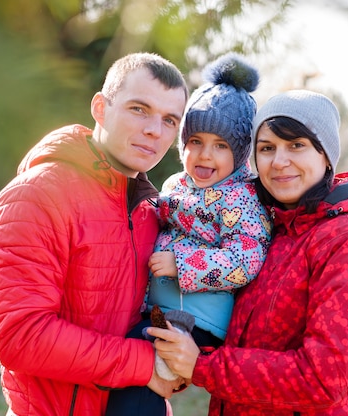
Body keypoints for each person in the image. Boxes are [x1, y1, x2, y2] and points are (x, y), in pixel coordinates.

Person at [148, 89, 348, 415]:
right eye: (267, 148)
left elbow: (325, 377)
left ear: (326, 155)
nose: (279, 162)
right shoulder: (271, 224)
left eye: (296, 145)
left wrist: (203, 364)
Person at [0, 52, 189, 416]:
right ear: (100, 108)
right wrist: (144, 365)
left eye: (169, 120)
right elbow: (21, 337)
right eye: (139, 109)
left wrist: (179, 360)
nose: (155, 130)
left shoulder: (151, 212)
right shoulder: (37, 196)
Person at [106, 53, 272, 415]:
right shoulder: (175, 184)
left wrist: (182, 264)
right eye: (195, 141)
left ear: (241, 152)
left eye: (221, 146)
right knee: (131, 372)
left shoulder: (242, 197)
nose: (204, 155)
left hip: (198, 319)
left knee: (138, 369)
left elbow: (246, 259)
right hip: (160, 310)